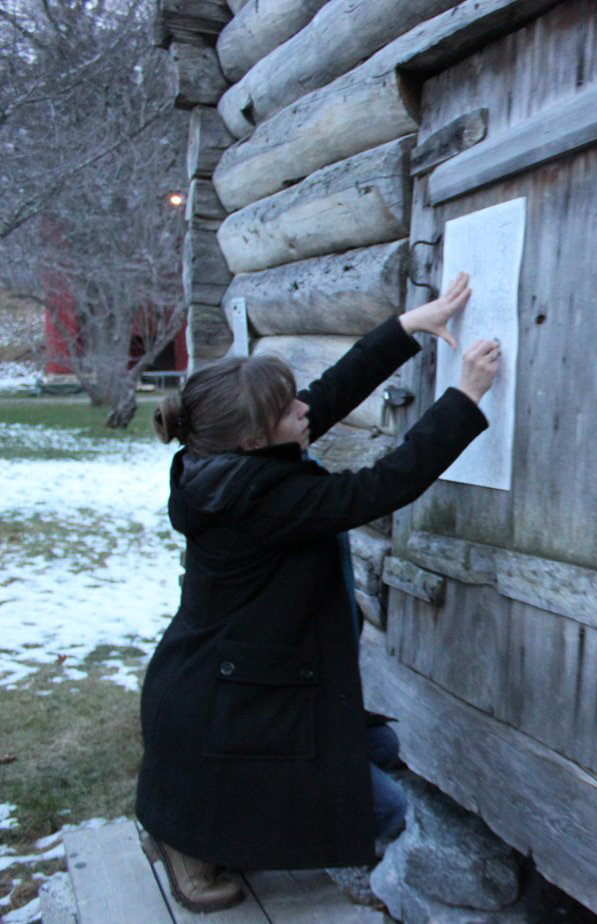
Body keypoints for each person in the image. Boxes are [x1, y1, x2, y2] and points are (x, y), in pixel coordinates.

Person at [135, 273, 499, 913]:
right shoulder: (261, 502)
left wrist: (408, 327)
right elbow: (383, 486)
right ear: (254, 439)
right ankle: (183, 837)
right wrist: (465, 395)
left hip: (229, 676)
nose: (303, 410)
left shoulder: (225, 459)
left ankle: (216, 810)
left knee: (378, 749)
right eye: (288, 410)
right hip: (226, 702)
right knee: (382, 812)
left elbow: (325, 394)